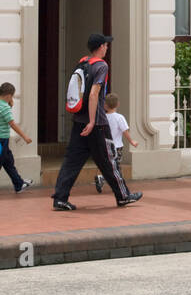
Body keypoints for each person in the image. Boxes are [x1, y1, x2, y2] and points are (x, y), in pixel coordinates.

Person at [52, 33, 142, 211]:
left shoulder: (83, 62)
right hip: (97, 124)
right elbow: (94, 94)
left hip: (79, 121)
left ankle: (60, 199)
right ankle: (123, 196)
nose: (107, 48)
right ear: (100, 47)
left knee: (72, 161)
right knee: (109, 160)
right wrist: (92, 121)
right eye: (106, 45)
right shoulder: (101, 66)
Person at [0, 82, 34, 197]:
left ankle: (18, 183)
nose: (12, 99)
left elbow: (2, 117)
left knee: (8, 162)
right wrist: (25, 137)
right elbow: (12, 124)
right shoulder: (4, 107)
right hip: (2, 140)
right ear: (8, 96)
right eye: (12, 97)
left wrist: (9, 105)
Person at [94, 93, 138, 194]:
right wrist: (132, 141)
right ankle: (118, 185)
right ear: (117, 104)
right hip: (117, 147)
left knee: (107, 165)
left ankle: (105, 179)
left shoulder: (103, 117)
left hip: (105, 145)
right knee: (116, 167)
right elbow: (125, 131)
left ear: (105, 105)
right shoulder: (119, 117)